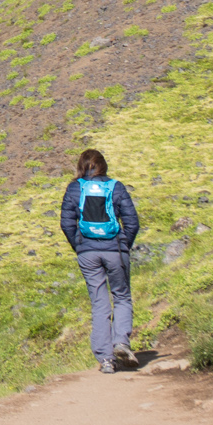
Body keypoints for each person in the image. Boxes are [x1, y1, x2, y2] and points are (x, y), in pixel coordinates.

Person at [59, 148, 141, 373]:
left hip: (87, 253)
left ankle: (106, 360)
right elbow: (132, 223)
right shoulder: (116, 187)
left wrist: (80, 247)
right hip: (115, 250)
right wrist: (123, 246)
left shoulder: (74, 188)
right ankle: (121, 343)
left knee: (99, 303)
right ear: (103, 166)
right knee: (122, 297)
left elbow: (67, 223)